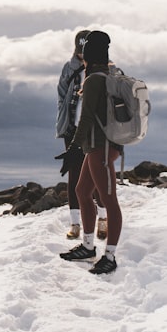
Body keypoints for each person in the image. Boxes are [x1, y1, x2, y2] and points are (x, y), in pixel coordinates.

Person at [59, 30, 123, 275]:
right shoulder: (107, 75)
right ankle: (88, 246)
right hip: (98, 146)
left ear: (88, 54)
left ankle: (110, 256)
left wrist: (74, 147)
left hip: (102, 148)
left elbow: (85, 118)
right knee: (82, 191)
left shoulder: (95, 79)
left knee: (109, 200)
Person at [55, 30, 108, 241]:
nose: (81, 56)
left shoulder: (105, 69)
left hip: (97, 133)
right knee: (74, 175)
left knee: (97, 177)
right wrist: (65, 121)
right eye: (79, 52)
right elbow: (61, 95)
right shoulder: (69, 69)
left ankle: (102, 219)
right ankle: (75, 223)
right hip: (73, 130)